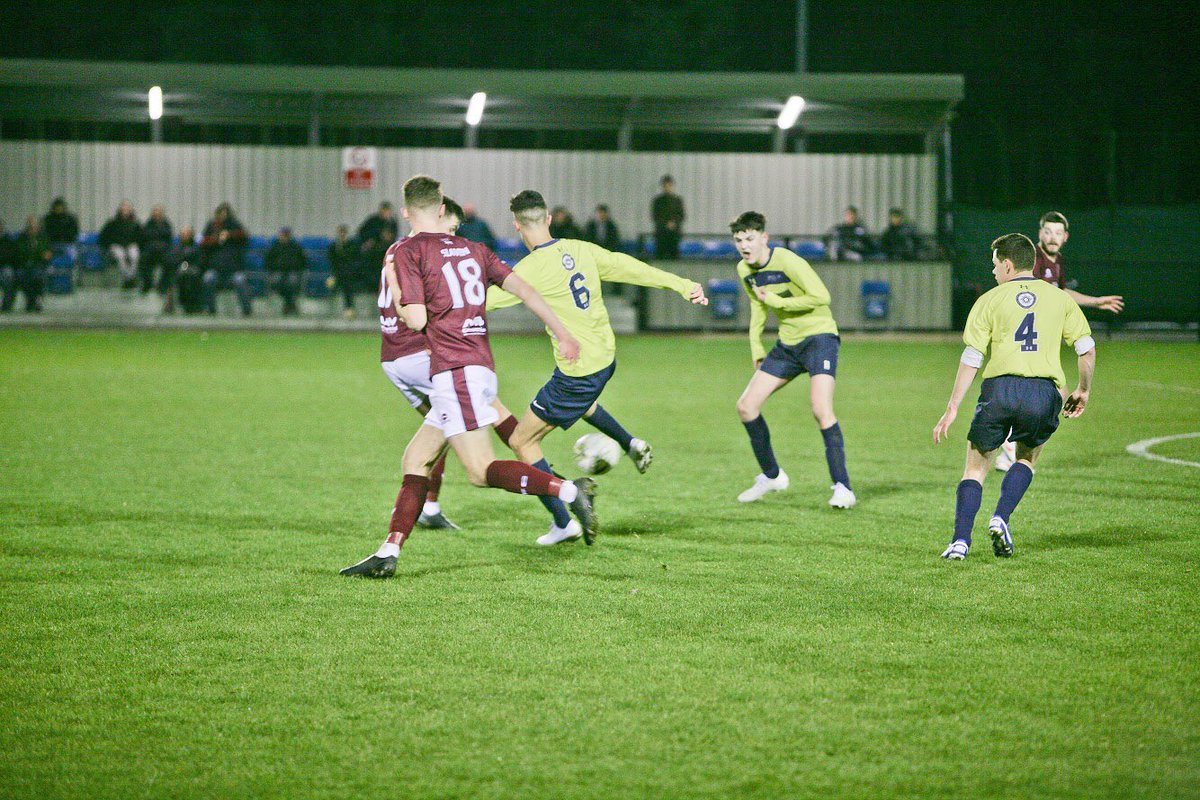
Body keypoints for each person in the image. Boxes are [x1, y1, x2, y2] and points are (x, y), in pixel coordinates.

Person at [341, 175, 595, 578]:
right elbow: (527, 291)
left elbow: (416, 318)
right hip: (475, 366)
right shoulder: (474, 248)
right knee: (417, 457)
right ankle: (388, 553)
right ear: (442, 209)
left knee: (479, 470)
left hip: (454, 370)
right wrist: (564, 334)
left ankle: (567, 490)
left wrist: (393, 283)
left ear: (407, 212)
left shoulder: (406, 250)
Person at [486, 189, 708, 545]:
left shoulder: (528, 270)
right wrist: (681, 284)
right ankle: (629, 442)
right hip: (605, 358)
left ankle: (565, 519)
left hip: (578, 371)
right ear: (548, 219)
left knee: (522, 441)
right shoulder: (580, 248)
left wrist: (427, 313)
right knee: (581, 403)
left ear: (516, 226)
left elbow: (484, 302)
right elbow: (628, 267)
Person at [934, 233, 1096, 560]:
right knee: (1025, 459)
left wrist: (952, 407)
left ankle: (960, 542)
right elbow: (1086, 348)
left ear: (1007, 264)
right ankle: (1001, 517)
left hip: (1000, 389)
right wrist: (1082, 389)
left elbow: (971, 356)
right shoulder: (1059, 298)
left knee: (975, 470)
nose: (993, 272)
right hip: (1043, 392)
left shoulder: (990, 300)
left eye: (995, 265)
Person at [730, 211, 856, 509]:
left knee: (820, 408)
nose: (744, 246)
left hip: (819, 338)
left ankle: (843, 487)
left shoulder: (788, 261)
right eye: (738, 240)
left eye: (749, 239)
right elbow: (757, 306)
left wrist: (777, 302)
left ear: (764, 237)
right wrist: (756, 348)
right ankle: (772, 476)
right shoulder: (743, 269)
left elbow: (821, 297)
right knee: (746, 407)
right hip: (787, 345)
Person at [994, 211, 1123, 472]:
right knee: (1051, 391)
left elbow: (1061, 293)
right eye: (1048, 231)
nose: (1052, 237)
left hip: (1041, 338)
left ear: (1065, 237)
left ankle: (1010, 444)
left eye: (1057, 233)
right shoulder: (1034, 261)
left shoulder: (1057, 261)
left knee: (1052, 392)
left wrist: (1096, 301)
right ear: (1040, 233)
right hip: (1028, 337)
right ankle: (1011, 445)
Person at [200, 203, 252, 316]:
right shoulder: (212, 226)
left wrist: (229, 234)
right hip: (216, 268)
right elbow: (204, 242)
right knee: (208, 279)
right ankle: (210, 309)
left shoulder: (235, 225)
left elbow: (244, 236)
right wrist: (216, 238)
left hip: (234, 269)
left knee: (240, 281)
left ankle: (247, 310)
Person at [3, 216, 51, 313]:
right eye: (29, 226)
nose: (31, 228)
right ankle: (29, 301)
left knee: (38, 276)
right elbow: (20, 253)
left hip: (38, 266)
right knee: (19, 276)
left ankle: (34, 301)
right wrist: (38, 254)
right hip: (23, 266)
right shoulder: (21, 238)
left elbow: (46, 254)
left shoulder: (43, 238)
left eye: (33, 226)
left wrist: (39, 254)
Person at [99, 200, 142, 289]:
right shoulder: (112, 222)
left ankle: (129, 278)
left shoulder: (135, 223)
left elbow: (141, 238)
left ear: (131, 210)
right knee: (121, 256)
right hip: (116, 246)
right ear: (120, 209)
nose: (126, 209)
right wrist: (110, 245)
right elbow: (103, 237)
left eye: (128, 207)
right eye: (124, 207)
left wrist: (135, 244)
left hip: (131, 245)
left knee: (135, 256)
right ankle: (130, 279)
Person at [264, 227, 306, 316]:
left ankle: (287, 305)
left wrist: (295, 267)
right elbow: (268, 261)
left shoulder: (296, 247)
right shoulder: (274, 247)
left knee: (292, 283)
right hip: (277, 271)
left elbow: (302, 261)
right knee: (277, 281)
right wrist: (275, 268)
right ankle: (290, 304)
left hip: (292, 271)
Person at [163, 225, 202, 314]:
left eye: (187, 234)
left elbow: (200, 262)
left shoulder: (197, 248)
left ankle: (192, 305)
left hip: (193, 273)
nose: (185, 236)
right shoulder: (174, 247)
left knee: (191, 278)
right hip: (177, 273)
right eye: (183, 234)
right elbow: (170, 261)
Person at [139, 205, 173, 294]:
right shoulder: (148, 224)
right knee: (143, 260)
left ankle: (162, 285)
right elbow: (145, 237)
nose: (157, 213)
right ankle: (147, 283)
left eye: (159, 212)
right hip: (150, 251)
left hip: (163, 251)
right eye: (155, 211)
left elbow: (168, 238)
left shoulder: (167, 224)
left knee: (169, 261)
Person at [651, 175, 685, 259]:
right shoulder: (657, 201)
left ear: (672, 186)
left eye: (669, 185)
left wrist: (674, 223)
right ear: (662, 186)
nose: (667, 187)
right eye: (665, 185)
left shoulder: (678, 200)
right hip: (661, 234)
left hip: (674, 234)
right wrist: (666, 224)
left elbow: (682, 215)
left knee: (674, 257)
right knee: (660, 257)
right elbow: (655, 216)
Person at [328, 225, 358, 318]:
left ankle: (349, 309)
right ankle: (332, 310)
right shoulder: (334, 246)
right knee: (332, 286)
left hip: (349, 272)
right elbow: (332, 260)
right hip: (337, 272)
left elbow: (354, 259)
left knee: (348, 290)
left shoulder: (352, 245)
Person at [42, 197, 79, 264]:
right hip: (52, 244)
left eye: (60, 206)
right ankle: (50, 271)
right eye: (57, 207)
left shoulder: (71, 219)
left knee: (74, 257)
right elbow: (46, 233)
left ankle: (73, 272)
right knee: (46, 256)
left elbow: (74, 233)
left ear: (64, 207)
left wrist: (60, 233)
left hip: (68, 244)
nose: (58, 208)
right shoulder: (48, 219)